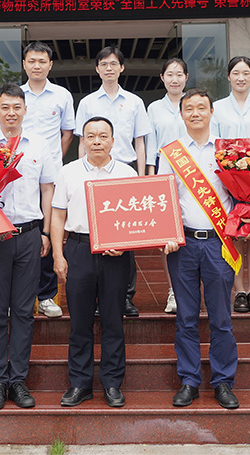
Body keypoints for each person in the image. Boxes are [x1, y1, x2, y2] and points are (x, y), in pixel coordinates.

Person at [160, 89, 250, 411]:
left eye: (201, 107)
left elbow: (247, 190)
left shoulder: (228, 151)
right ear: (181, 114)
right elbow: (163, 198)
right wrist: (166, 234)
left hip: (218, 243)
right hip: (182, 244)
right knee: (185, 317)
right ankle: (189, 381)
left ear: (212, 111)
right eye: (189, 108)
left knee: (221, 317)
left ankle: (223, 381)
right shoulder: (171, 153)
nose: (195, 113)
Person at [0, 84, 58, 410]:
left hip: (29, 235)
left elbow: (48, 190)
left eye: (16, 107)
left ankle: (18, 380)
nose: (11, 113)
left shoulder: (39, 145)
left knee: (24, 312)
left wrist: (47, 233)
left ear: (25, 110)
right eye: (5, 107)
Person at [50, 116, 140, 408]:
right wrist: (57, 254)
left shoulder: (127, 173)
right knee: (79, 322)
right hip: (78, 250)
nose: (97, 141)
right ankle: (80, 384)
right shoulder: (69, 172)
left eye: (103, 136)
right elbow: (58, 216)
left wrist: (125, 244)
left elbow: (137, 221)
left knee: (114, 320)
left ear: (113, 140)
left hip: (116, 256)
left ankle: (113, 384)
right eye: (91, 136)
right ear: (82, 140)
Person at [74, 46, 150, 317]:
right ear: (97, 69)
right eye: (103, 64)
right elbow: (82, 141)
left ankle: (126, 296)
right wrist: (80, 172)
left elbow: (140, 141)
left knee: (125, 236)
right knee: (94, 232)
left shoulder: (134, 102)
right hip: (93, 170)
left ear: (121, 68)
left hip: (124, 171)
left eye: (113, 64)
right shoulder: (87, 103)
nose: (108, 68)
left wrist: (141, 178)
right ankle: (95, 296)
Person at [212, 56, 250, 315]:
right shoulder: (216, 107)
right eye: (236, 72)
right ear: (228, 77)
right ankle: (238, 291)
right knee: (234, 236)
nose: (240, 77)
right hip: (229, 184)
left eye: (246, 73)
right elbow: (215, 147)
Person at [19, 42, 75, 319]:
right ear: (25, 64)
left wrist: (52, 161)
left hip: (51, 174)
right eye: (32, 61)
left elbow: (67, 133)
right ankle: (22, 295)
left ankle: (48, 295)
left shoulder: (62, 95)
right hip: (21, 174)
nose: (37, 65)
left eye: (42, 61)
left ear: (50, 65)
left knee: (51, 228)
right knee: (26, 232)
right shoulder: (17, 96)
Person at [145, 56, 189, 314]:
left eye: (179, 74)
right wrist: (151, 178)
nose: (174, 79)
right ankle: (173, 290)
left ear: (186, 78)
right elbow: (151, 145)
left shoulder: (193, 104)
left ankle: (190, 290)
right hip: (164, 169)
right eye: (169, 74)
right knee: (168, 234)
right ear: (162, 78)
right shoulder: (154, 108)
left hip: (193, 171)